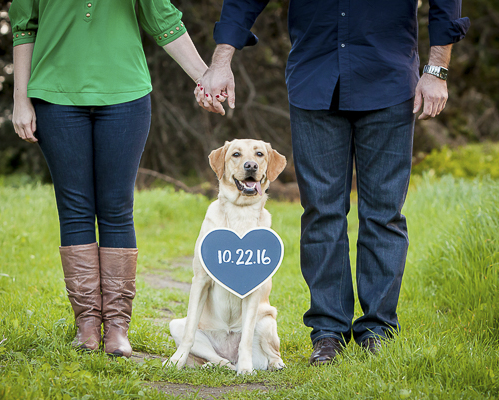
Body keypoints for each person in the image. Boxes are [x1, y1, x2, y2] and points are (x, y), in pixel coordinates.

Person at [195, 1, 470, 365]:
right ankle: (328, 333)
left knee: (384, 213)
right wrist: (220, 62)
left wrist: (436, 69)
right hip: (315, 80)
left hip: (387, 79)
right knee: (322, 212)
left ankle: (378, 330)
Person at [9, 0, 208, 357]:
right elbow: (24, 28)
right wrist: (20, 100)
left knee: (117, 207)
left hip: (126, 95)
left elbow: (163, 20)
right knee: (75, 209)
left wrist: (205, 78)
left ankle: (117, 327)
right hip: (55, 96)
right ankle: (86, 325)